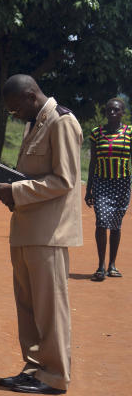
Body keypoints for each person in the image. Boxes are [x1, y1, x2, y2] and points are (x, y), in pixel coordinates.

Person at [0, 74, 82, 395]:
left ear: (31, 96)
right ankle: (34, 369)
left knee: (50, 309)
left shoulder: (62, 122)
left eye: (15, 109)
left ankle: (55, 375)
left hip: (49, 233)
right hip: (26, 228)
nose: (14, 116)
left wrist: (16, 189)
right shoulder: (35, 124)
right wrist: (12, 188)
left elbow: (65, 180)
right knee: (27, 307)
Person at [85, 98, 132, 280]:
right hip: (101, 183)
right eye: (109, 110)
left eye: (116, 110)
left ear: (123, 112)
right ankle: (100, 266)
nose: (112, 113)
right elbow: (92, 163)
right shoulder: (96, 133)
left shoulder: (129, 132)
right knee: (102, 221)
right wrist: (89, 190)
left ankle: (112, 264)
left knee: (116, 225)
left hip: (122, 183)